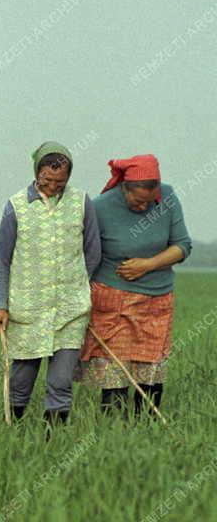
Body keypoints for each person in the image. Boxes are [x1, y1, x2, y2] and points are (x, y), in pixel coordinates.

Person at [0, 142, 101, 425]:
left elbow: (93, 253)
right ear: (36, 172)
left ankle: (53, 438)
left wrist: (73, 283)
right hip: (27, 308)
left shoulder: (82, 203)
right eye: (46, 180)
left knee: (61, 381)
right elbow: (2, 261)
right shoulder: (16, 206)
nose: (52, 187)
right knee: (21, 379)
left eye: (59, 182)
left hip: (70, 309)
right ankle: (13, 430)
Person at [75, 155, 192, 416]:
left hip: (157, 300)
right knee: (115, 371)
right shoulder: (100, 207)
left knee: (150, 367)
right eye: (138, 201)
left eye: (149, 202)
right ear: (124, 188)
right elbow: (85, 252)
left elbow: (183, 246)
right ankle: (114, 429)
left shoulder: (168, 197)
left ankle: (145, 425)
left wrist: (148, 264)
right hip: (112, 299)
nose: (143, 207)